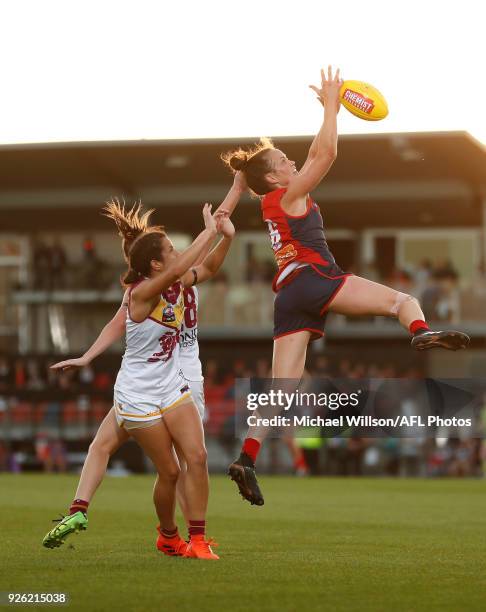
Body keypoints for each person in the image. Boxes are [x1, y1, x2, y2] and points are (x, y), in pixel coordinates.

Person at [220, 65, 470, 505]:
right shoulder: (289, 194)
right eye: (283, 161)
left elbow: (313, 152)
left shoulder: (274, 200)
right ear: (276, 178)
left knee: (282, 388)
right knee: (402, 299)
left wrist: (328, 113)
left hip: (289, 294)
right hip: (316, 279)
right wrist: (334, 108)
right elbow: (326, 156)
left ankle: (247, 457)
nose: (291, 161)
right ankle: (420, 332)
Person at [42, 179, 244, 558]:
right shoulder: (144, 291)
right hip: (138, 391)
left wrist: (235, 195)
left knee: (192, 457)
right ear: (155, 263)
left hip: (173, 381)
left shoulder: (176, 279)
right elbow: (179, 269)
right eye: (170, 249)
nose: (177, 251)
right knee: (170, 470)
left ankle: (192, 538)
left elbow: (206, 266)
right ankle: (168, 534)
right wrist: (210, 229)